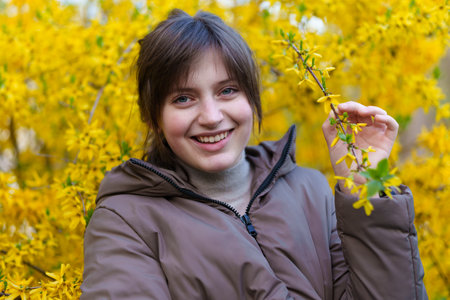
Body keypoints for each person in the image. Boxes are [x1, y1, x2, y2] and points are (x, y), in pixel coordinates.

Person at [80, 9, 427, 300]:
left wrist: (365, 185)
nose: (212, 116)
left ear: (252, 98)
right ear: (152, 116)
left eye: (228, 90)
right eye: (183, 98)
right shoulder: (125, 220)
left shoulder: (311, 191)